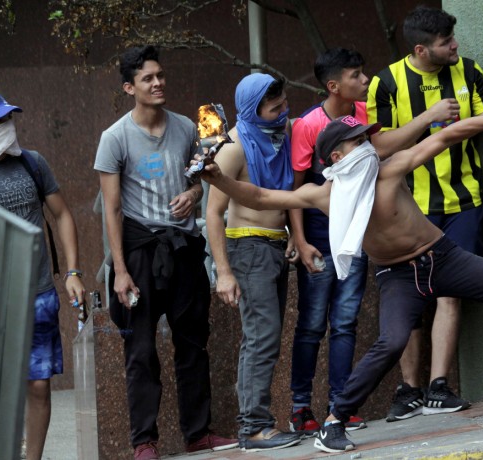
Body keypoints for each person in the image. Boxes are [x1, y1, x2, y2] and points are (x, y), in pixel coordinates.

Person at [198, 106, 483, 453]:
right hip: (398, 276)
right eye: (358, 141)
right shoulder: (323, 196)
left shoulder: (389, 169)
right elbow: (260, 196)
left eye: (368, 138)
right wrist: (219, 179)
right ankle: (334, 422)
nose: (368, 146)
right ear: (336, 158)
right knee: (391, 341)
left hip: (444, 258)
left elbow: (445, 136)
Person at [367, 5, 483, 420]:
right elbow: (378, 147)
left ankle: (438, 387)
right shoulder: (385, 82)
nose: (455, 45)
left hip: (464, 204)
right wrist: (428, 118)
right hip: (409, 211)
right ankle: (408, 389)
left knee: (450, 294)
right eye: (446, 41)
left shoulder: (469, 70)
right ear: (421, 49)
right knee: (411, 302)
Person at [94, 46, 237, 460]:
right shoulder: (114, 138)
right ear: (129, 87)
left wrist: (192, 195)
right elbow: (112, 210)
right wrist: (120, 271)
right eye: (147, 78)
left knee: (193, 342)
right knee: (140, 350)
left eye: (160, 75)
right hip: (139, 251)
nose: (157, 83)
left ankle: (198, 433)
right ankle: (144, 442)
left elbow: (197, 181)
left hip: (184, 248)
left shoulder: (187, 127)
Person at [0, 90, 86, 460]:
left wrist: (72, 271)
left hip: (37, 295)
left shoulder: (33, 163)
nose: (7, 126)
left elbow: (63, 214)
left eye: (9, 118)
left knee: (38, 386)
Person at [205, 72, 302, 452]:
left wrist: (293, 235)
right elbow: (214, 213)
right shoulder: (233, 148)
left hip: (275, 245)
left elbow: (287, 193)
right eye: (274, 108)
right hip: (247, 247)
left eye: (284, 104)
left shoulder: (280, 135)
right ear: (252, 109)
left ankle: (257, 423)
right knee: (261, 337)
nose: (283, 112)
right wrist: (224, 273)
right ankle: (254, 427)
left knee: (267, 336)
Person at [287, 48, 371, 436]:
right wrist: (300, 239)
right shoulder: (308, 124)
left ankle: (342, 405)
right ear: (334, 85)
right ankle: (300, 407)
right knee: (311, 324)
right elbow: (296, 189)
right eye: (356, 75)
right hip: (319, 235)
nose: (365, 80)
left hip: (355, 233)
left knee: (346, 321)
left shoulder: (364, 114)